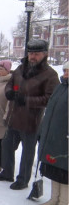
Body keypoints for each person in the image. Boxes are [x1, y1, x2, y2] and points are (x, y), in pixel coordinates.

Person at [0, 39, 60, 190]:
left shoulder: (50, 74)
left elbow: (50, 99)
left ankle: (23, 179)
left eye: (36, 54)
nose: (33, 57)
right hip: (13, 117)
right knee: (7, 146)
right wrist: (9, 91)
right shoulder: (21, 68)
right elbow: (10, 82)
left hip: (31, 120)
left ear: (44, 54)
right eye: (31, 53)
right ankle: (7, 172)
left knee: (27, 153)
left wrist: (27, 100)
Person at [37, 61, 68, 204]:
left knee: (66, 172)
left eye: (68, 71)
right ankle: (54, 198)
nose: (65, 74)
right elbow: (50, 110)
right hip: (54, 136)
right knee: (55, 168)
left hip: (65, 139)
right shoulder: (60, 88)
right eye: (65, 71)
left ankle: (64, 200)